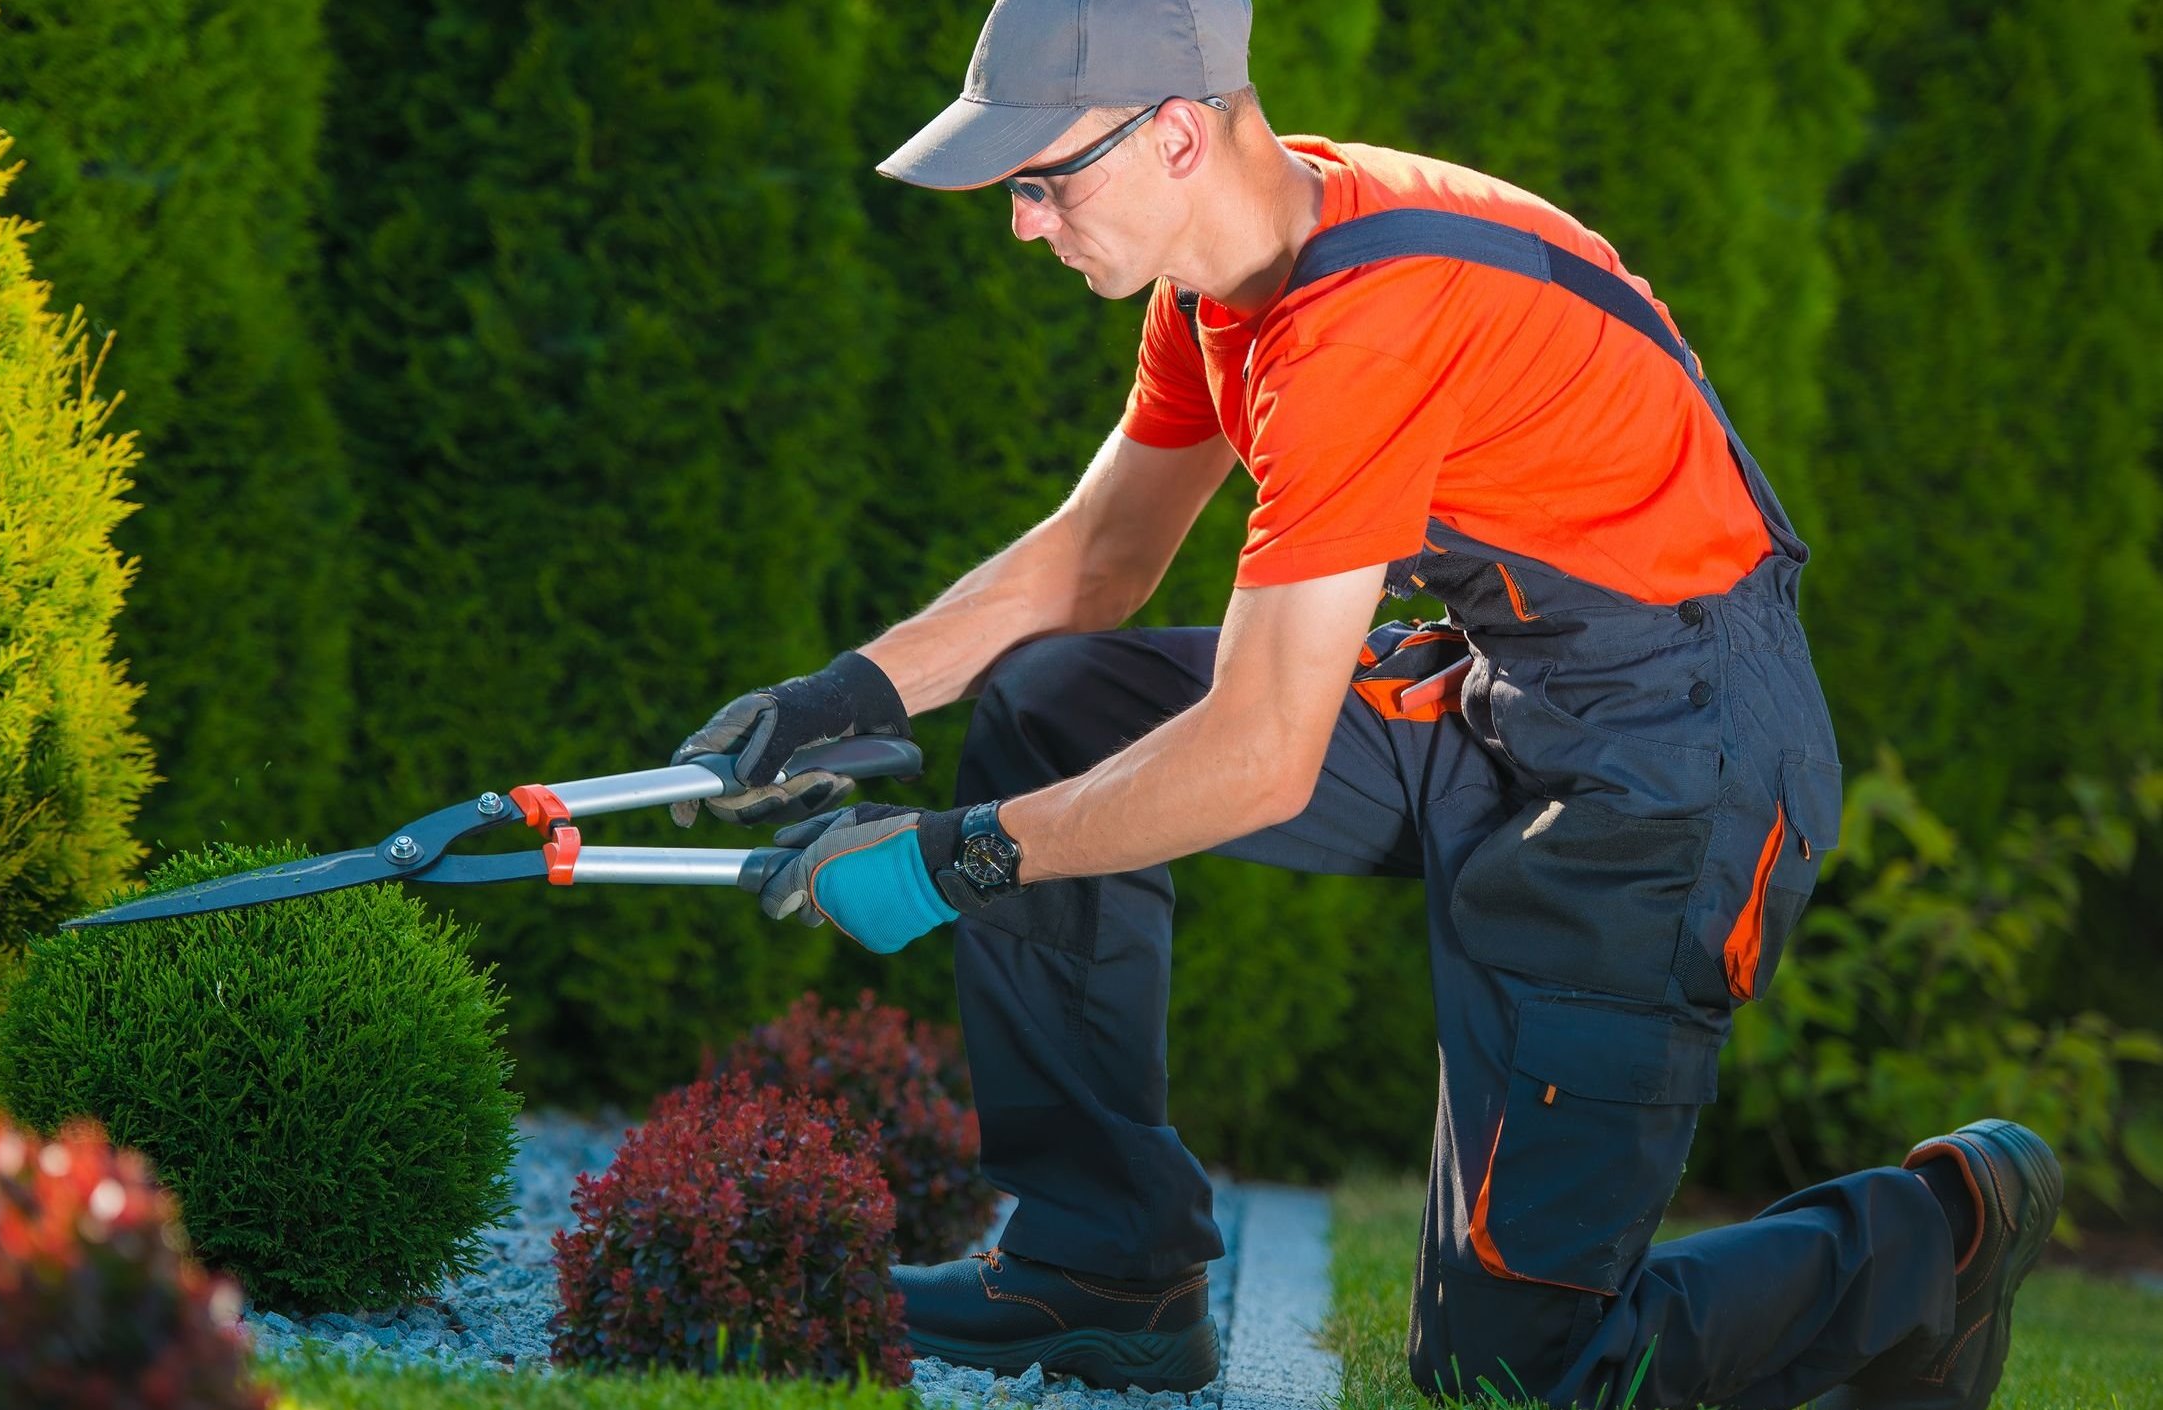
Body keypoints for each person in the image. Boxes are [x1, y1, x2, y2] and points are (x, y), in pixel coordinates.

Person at [666, 2, 2060, 1405]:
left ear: (1172, 136)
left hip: (1676, 767)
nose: (1024, 222)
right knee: (1056, 703)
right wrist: (841, 693)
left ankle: (1939, 1235)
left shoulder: (1363, 324)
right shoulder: (1227, 281)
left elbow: (1260, 756)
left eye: (1044, 179)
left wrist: (951, 856)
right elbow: (1102, 554)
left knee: (1519, 1379)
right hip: (1503, 691)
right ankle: (1103, 1270)